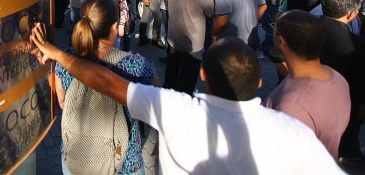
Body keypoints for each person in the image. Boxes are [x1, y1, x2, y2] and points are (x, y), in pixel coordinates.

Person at [31, 27, 343, 174]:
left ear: (203, 74)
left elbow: (108, 83)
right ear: (261, 82)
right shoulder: (294, 133)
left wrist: (58, 54)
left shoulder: (176, 109)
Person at [52, 0, 159, 174]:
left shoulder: (65, 60)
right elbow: (158, 107)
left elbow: (61, 103)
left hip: (76, 157)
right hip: (124, 161)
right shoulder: (136, 66)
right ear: (115, 28)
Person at [265, 10, 350, 161]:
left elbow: (285, 159)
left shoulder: (292, 106)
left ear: (281, 41)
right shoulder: (337, 78)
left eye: (274, 29)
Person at [317, 0, 365, 167]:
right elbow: (361, 79)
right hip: (345, 102)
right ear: (351, 14)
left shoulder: (307, 30)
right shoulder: (358, 44)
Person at [164, 0, 214, 94]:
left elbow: (168, 0)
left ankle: (168, 94)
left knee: (171, 71)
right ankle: (184, 101)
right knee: (188, 79)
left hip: (173, 37)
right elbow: (210, 13)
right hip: (194, 43)